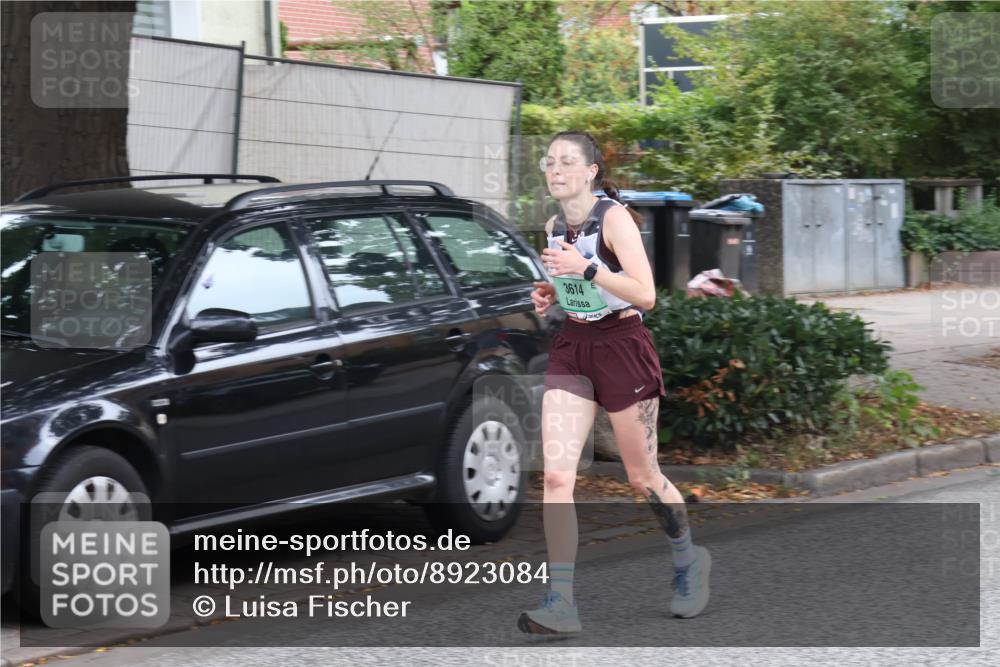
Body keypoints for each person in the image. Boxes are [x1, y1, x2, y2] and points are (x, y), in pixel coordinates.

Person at [516, 130, 711, 635]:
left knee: (642, 477)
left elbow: (645, 295)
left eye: (567, 162)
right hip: (573, 348)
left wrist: (587, 268)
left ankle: (689, 561)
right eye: (549, 161)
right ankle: (561, 600)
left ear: (591, 171)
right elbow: (578, 288)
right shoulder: (555, 223)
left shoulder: (614, 219)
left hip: (623, 348)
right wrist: (552, 294)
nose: (555, 170)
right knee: (558, 477)